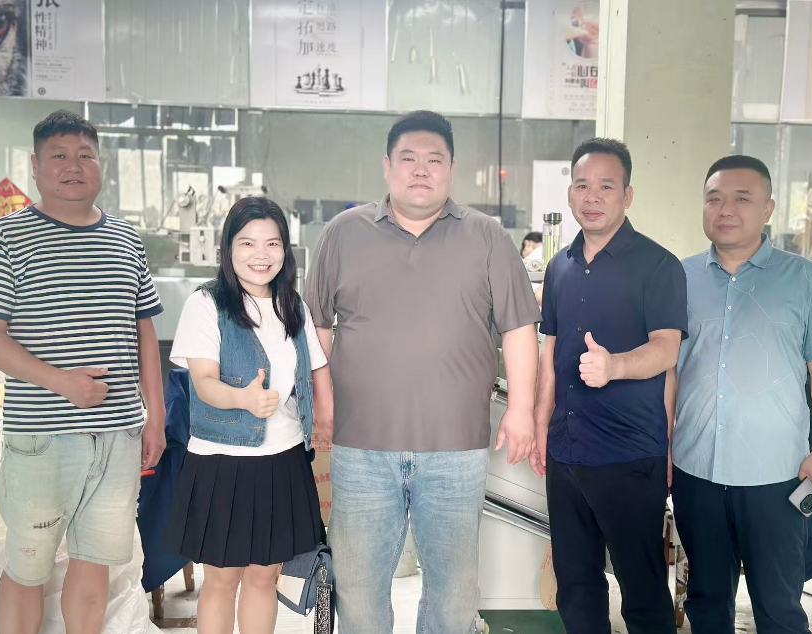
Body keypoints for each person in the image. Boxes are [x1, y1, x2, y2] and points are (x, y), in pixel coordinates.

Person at [305, 110, 541, 634]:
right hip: (361, 446)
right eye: (408, 158)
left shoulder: (486, 236)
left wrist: (522, 408)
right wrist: (320, 402)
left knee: (453, 596)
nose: (420, 169)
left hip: (455, 448)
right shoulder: (344, 233)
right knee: (358, 589)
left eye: (434, 160)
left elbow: (519, 327)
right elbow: (316, 328)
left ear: (451, 169)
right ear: (387, 166)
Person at [0, 110, 166, 634]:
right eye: (59, 155)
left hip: (119, 436)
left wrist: (155, 417)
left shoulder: (125, 239)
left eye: (85, 155)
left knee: (95, 563)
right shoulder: (3, 237)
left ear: (101, 166)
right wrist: (61, 382)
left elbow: (144, 333)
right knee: (28, 566)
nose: (73, 166)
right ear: (35, 167)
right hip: (42, 436)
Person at [671, 155, 812, 634]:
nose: (725, 209)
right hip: (696, 467)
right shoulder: (679, 278)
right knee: (705, 602)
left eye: (741, 198)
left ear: (768, 209)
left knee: (778, 607)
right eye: (714, 198)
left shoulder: (805, 280)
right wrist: (662, 448)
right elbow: (669, 373)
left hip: (777, 475)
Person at [532, 137, 686, 634]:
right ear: (570, 194)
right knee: (576, 586)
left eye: (605, 186)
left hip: (629, 456)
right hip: (565, 453)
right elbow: (549, 354)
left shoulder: (659, 265)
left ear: (627, 195)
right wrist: (540, 427)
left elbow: (667, 349)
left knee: (642, 590)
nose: (592, 197)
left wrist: (614, 366)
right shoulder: (558, 266)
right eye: (582, 186)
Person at [163, 196, 328, 634]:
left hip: (284, 459)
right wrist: (243, 399)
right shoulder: (206, 304)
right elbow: (203, 382)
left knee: (263, 578)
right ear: (229, 249)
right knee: (222, 580)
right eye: (248, 243)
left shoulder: (294, 306)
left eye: (272, 243)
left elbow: (314, 373)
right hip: (222, 461)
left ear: (285, 250)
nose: (261, 255)